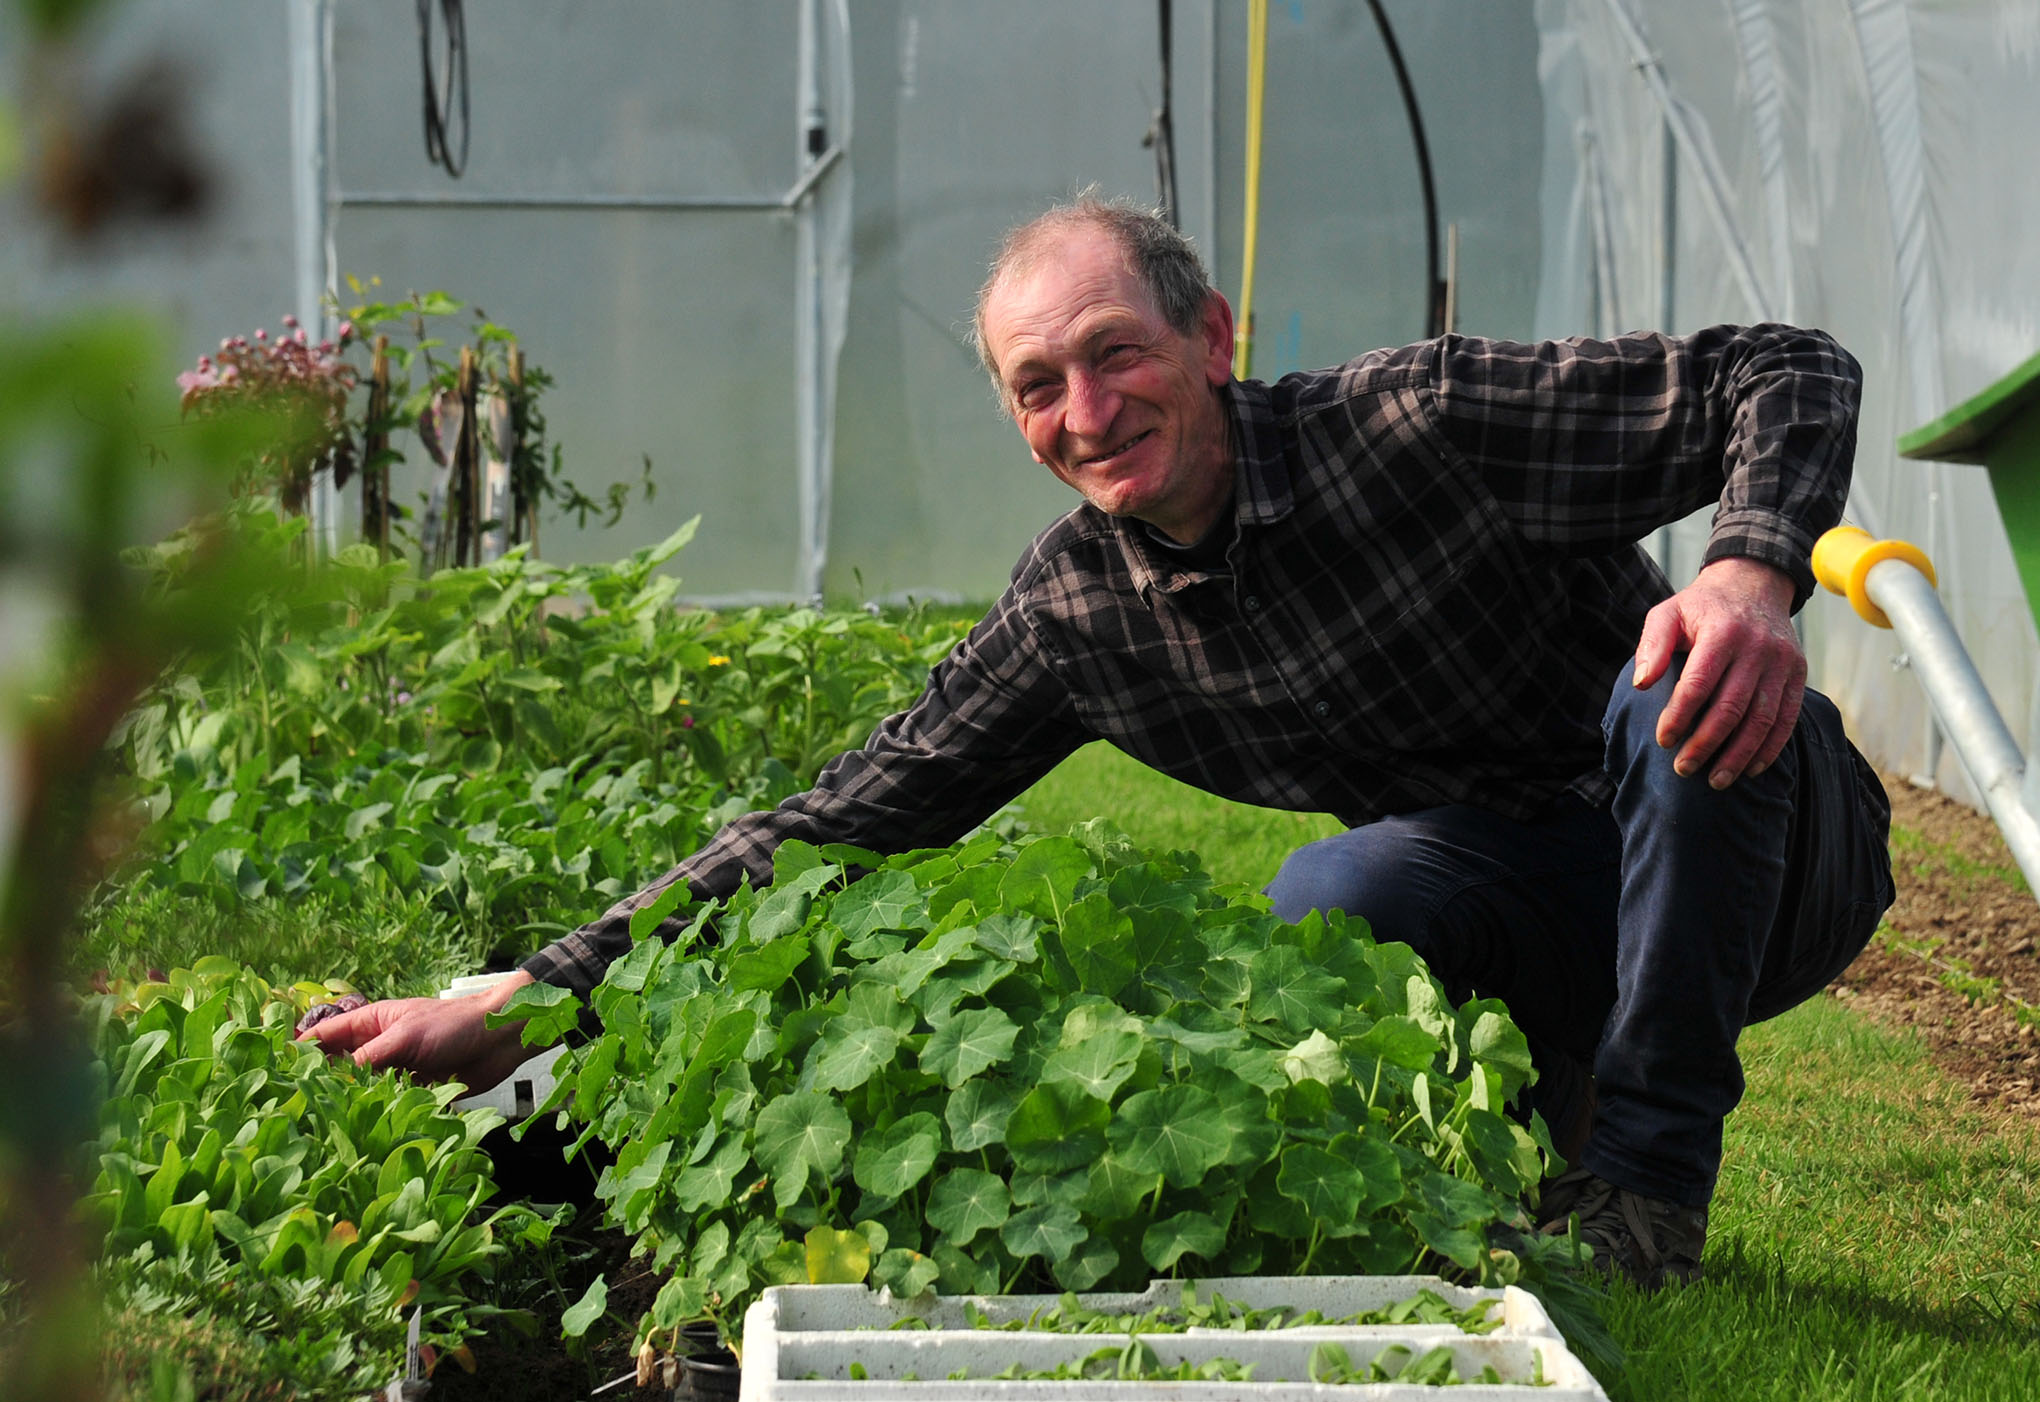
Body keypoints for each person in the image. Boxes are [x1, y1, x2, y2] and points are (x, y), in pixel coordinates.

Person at [304, 194, 1893, 1288]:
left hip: (1760, 849)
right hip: (1535, 902)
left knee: (1673, 690)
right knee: (1337, 891)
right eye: (1038, 386)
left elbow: (1788, 366)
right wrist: (547, 986)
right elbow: (845, 816)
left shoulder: (1414, 425)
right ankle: (1509, 1164)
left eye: (1116, 351)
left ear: (1209, 334)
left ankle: (1646, 1190)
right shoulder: (1081, 614)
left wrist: (1750, 568)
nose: (1088, 408)